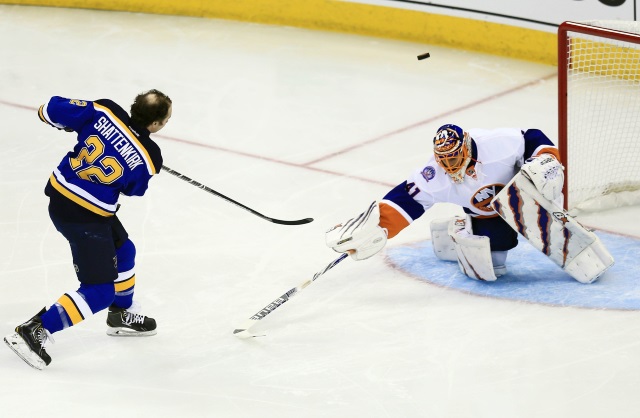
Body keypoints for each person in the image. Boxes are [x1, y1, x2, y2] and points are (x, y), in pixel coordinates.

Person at [4, 89, 172, 370]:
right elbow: (133, 189)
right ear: (156, 124)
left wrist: (77, 126)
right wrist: (138, 157)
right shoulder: (150, 156)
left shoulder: (105, 110)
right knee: (99, 291)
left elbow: (49, 110)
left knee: (125, 251)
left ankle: (121, 314)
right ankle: (33, 330)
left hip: (68, 199)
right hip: (83, 218)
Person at [326, 124, 566, 281]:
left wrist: (545, 158)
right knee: (490, 270)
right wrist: (378, 229)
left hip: (523, 195)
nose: (450, 167)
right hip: (486, 213)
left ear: (467, 147)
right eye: (444, 160)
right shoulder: (434, 176)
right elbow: (406, 201)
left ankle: (555, 218)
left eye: (454, 158)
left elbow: (531, 136)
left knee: (547, 190)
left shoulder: (497, 144)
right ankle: (459, 231)